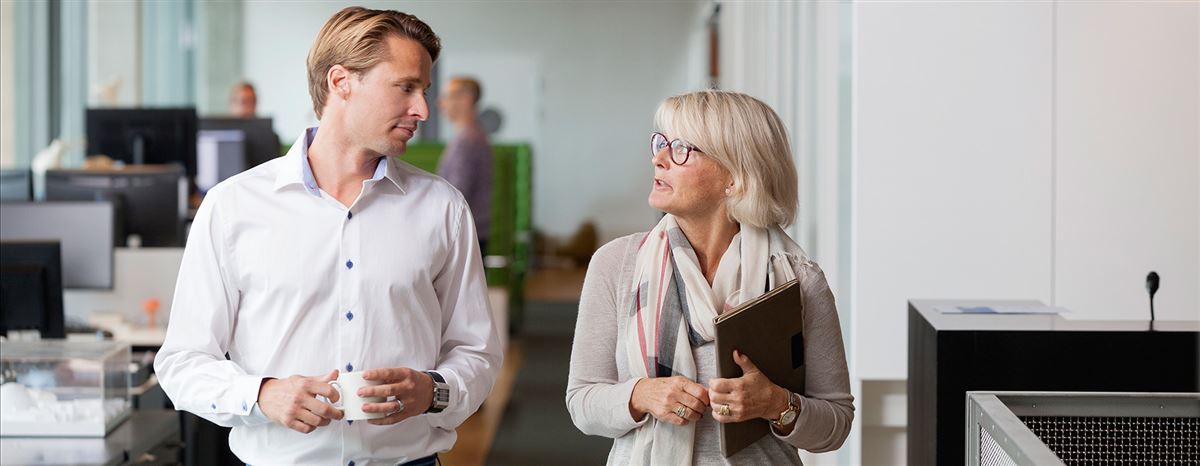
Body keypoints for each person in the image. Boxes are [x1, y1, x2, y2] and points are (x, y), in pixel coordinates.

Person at [155, 7, 502, 465]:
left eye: (424, 90)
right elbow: (182, 362)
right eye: (405, 87)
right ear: (340, 82)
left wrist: (433, 392)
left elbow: (476, 354)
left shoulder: (442, 208)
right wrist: (261, 395)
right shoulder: (232, 207)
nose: (421, 109)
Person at [565, 90, 854, 465]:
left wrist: (776, 404)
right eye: (661, 143)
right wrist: (640, 395)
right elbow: (582, 401)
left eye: (682, 149)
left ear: (734, 177)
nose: (659, 159)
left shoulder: (798, 279)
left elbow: (836, 424)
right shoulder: (617, 264)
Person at [436, 76, 492, 253]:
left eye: (446, 96)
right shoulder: (474, 136)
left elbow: (455, 192)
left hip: (462, 235)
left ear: (466, 99)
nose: (440, 102)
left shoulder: (467, 141)